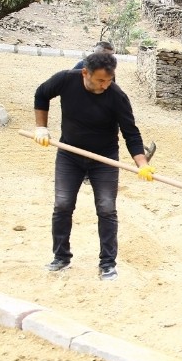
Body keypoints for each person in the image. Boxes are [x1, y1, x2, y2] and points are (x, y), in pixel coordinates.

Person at [32, 51, 156, 281]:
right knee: (62, 204)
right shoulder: (66, 79)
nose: (105, 85)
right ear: (85, 73)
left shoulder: (117, 96)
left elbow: (131, 133)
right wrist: (41, 127)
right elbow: (41, 94)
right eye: (100, 80)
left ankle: (107, 263)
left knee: (107, 208)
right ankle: (61, 257)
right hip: (69, 154)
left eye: (109, 80)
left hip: (104, 159)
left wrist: (142, 163)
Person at [73, 41, 156, 162]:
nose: (111, 58)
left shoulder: (109, 70)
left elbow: (110, 90)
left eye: (112, 55)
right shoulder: (81, 67)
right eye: (108, 55)